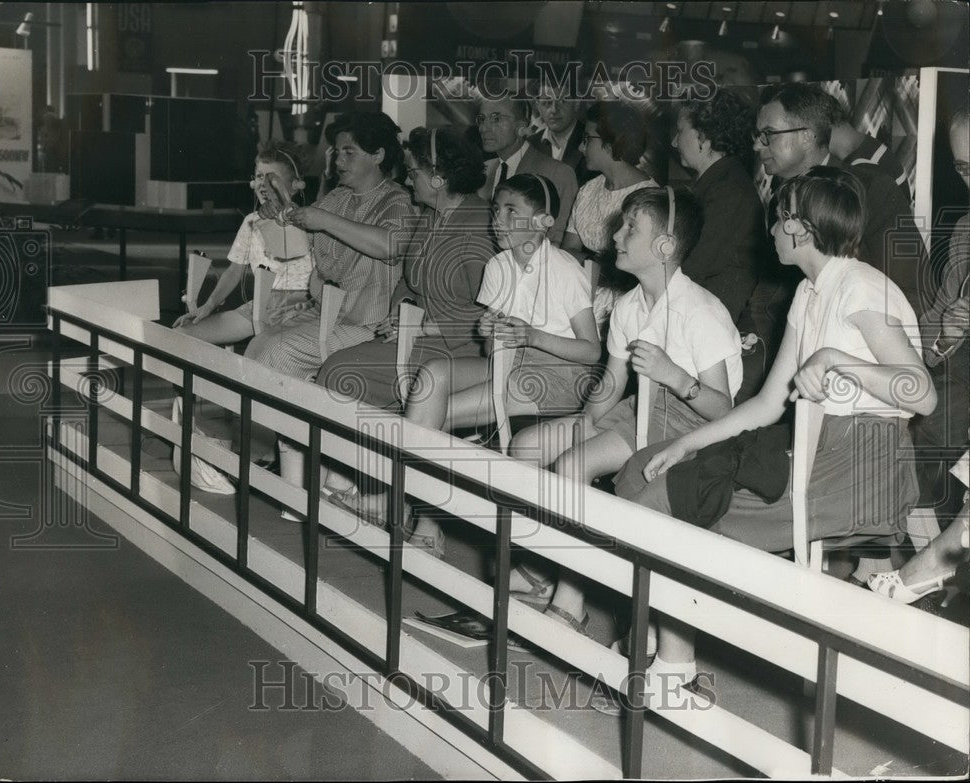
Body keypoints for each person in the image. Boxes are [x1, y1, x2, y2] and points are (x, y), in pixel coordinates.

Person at [619, 168, 936, 691]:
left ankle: (673, 663)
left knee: (685, 508)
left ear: (799, 228)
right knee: (660, 473)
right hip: (819, 450)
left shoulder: (859, 286)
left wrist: (836, 359)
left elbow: (920, 391)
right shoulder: (811, 292)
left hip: (860, 466)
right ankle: (667, 647)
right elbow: (768, 404)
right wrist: (684, 442)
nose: (768, 230)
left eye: (777, 218)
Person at [507, 187, 742, 633]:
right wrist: (585, 420)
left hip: (690, 427)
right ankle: (544, 567)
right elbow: (612, 383)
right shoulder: (629, 305)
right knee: (526, 447)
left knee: (573, 466)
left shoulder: (701, 312)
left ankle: (570, 602)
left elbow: (723, 408)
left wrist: (673, 375)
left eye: (631, 226)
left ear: (665, 246)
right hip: (642, 413)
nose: (617, 233)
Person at [345, 174, 600, 554]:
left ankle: (421, 516)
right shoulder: (497, 265)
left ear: (543, 222)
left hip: (556, 373)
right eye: (497, 209)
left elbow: (592, 351)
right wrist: (487, 328)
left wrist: (532, 336)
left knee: (434, 417)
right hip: (507, 365)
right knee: (430, 378)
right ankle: (408, 507)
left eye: (512, 210)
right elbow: (491, 342)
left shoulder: (565, 270)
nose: (498, 218)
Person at [316, 126, 493, 412]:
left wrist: (422, 327)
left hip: (459, 347)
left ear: (438, 179)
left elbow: (489, 314)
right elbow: (409, 282)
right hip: (415, 335)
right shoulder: (430, 215)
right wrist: (402, 307)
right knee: (337, 366)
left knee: (340, 371)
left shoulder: (481, 226)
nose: (408, 183)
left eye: (414, 175)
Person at [247, 111, 417, 378]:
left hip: (367, 324)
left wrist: (325, 220)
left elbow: (390, 245)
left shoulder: (397, 201)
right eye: (337, 152)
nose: (338, 160)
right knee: (259, 342)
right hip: (327, 314)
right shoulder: (339, 197)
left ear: (378, 155)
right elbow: (301, 229)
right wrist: (277, 215)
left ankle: (287, 418)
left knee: (275, 351)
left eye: (349, 152)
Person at [752, 83, 925, 317]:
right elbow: (771, 295)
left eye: (768, 135)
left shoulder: (872, 190)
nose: (756, 145)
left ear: (807, 136)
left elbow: (910, 291)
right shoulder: (780, 202)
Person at [882, 106, 970, 570]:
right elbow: (933, 324)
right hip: (959, 386)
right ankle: (928, 571)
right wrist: (942, 337)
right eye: (963, 169)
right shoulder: (964, 233)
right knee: (896, 434)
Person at [174, 141, 312, 344]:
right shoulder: (251, 221)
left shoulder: (309, 219)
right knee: (183, 334)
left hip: (303, 306)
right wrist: (208, 306)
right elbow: (234, 271)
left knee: (264, 352)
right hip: (261, 305)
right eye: (259, 176)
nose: (264, 184)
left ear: (295, 185)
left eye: (273, 179)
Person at [671, 90, 764, 326]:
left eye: (680, 132)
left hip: (710, 319)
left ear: (703, 137)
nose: (674, 141)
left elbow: (695, 266)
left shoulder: (729, 190)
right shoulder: (719, 183)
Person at [476, 93, 579, 246]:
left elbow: (557, 242)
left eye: (496, 119)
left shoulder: (559, 174)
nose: (484, 128)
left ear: (521, 125)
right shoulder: (483, 171)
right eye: (482, 119)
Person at [561, 102, 658, 265]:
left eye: (587, 139)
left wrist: (588, 263)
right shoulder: (588, 190)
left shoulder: (649, 197)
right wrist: (594, 263)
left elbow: (639, 263)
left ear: (611, 142)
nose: (580, 147)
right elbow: (568, 251)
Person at [528, 79, 591, 185]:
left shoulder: (592, 141)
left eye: (562, 101)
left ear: (576, 103)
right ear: (538, 106)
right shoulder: (530, 145)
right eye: (547, 103)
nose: (554, 110)